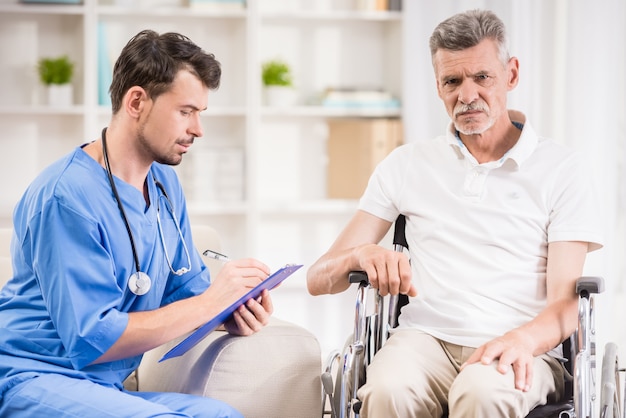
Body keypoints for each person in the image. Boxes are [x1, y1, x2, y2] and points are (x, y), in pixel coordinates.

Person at [307, 9, 604, 418]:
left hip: (522, 344)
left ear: (511, 75)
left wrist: (522, 341)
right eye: (452, 81)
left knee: (481, 394)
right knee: (387, 390)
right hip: (423, 339)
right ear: (438, 85)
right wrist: (361, 255)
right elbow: (318, 278)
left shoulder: (562, 169)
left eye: (482, 77)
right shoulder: (406, 164)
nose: (466, 95)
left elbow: (565, 306)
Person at [0, 30, 274, 418]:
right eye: (186, 111)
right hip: (34, 379)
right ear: (136, 102)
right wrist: (211, 302)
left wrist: (229, 310)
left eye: (200, 113)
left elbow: (186, 292)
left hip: (101, 389)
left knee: (222, 415)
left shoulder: (164, 185)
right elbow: (94, 338)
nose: (198, 129)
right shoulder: (67, 196)